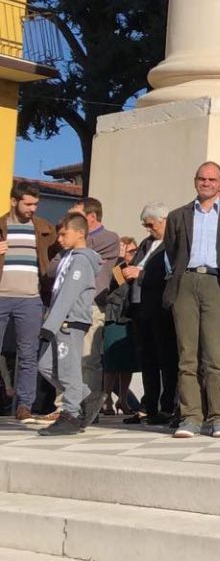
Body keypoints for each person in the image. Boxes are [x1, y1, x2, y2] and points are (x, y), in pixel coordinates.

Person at [164, 162, 220, 439]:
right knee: (186, 354)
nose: (206, 183)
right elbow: (172, 251)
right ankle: (190, 417)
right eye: (202, 178)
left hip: (216, 283)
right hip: (186, 282)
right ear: (195, 181)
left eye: (212, 179)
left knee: (215, 355)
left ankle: (218, 417)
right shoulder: (178, 216)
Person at [36, 213, 100, 436]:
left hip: (69, 321)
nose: (59, 239)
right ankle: (85, 395)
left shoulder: (82, 260)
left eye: (64, 234)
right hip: (59, 320)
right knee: (45, 365)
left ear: (80, 233)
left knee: (67, 369)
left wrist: (50, 324)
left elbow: (68, 294)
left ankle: (70, 415)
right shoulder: (68, 257)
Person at [0, 181, 59, 423]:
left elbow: (58, 255)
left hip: (31, 298)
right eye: (28, 204)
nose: (32, 209)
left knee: (28, 354)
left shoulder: (45, 228)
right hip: (1, 296)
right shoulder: (1, 226)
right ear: (14, 201)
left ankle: (24, 406)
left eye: (36, 204)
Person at [65, 197, 119, 426]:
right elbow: (54, 267)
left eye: (75, 217)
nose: (69, 223)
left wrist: (74, 243)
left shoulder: (109, 238)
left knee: (89, 359)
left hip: (92, 304)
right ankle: (67, 407)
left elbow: (84, 255)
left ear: (91, 217)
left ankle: (90, 407)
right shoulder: (74, 241)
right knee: (66, 358)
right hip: (68, 303)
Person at [122, 202, 177, 425]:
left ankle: (167, 406)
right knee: (147, 360)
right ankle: (149, 405)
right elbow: (135, 265)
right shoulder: (147, 243)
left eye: (151, 224)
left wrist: (141, 274)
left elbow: (169, 274)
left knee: (166, 358)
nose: (148, 229)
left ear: (164, 221)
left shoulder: (173, 244)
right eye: (145, 225)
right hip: (140, 308)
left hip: (160, 308)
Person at [101, 236, 139, 415]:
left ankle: (123, 399)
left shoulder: (138, 268)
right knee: (112, 361)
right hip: (115, 316)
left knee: (128, 363)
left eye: (134, 251)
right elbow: (119, 283)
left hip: (130, 317)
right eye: (129, 251)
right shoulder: (116, 267)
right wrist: (120, 258)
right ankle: (107, 398)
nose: (132, 254)